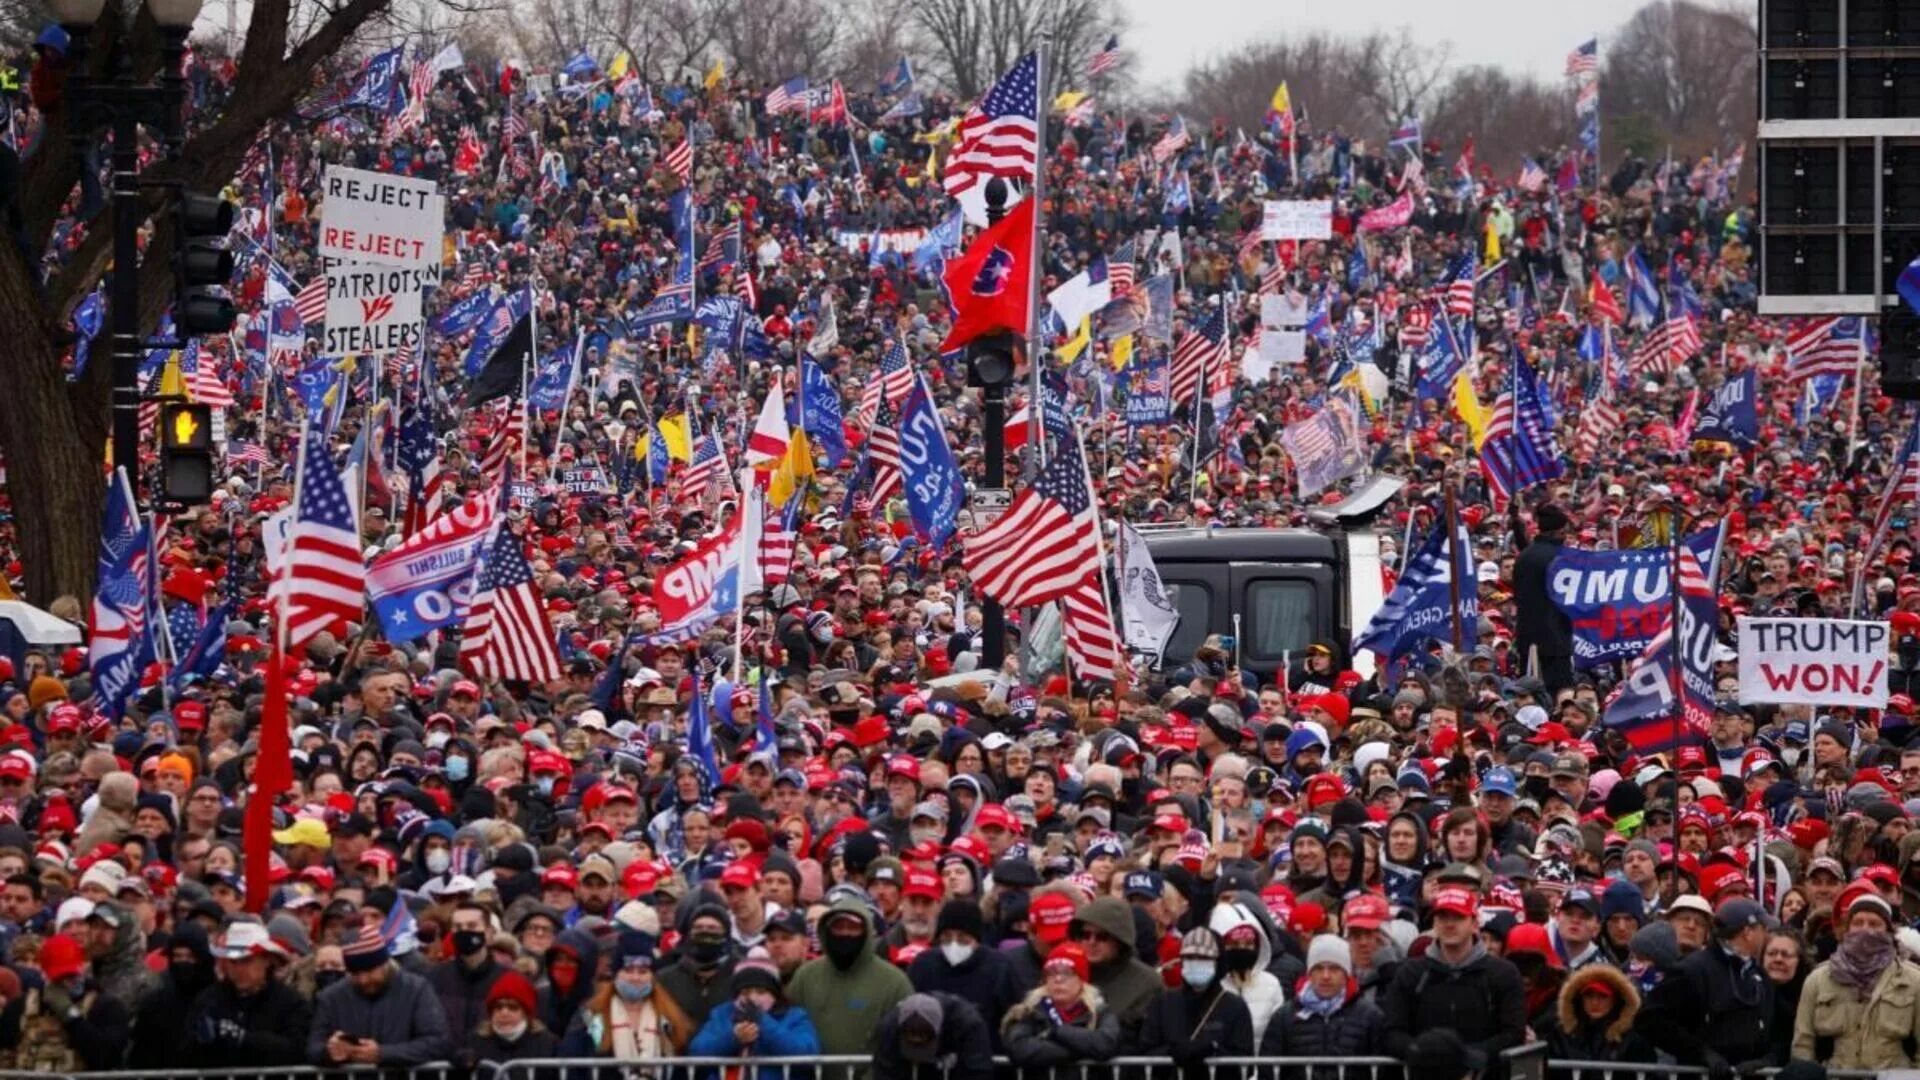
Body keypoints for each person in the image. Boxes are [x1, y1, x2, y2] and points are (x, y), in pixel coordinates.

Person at [1381, 886, 1526, 1062]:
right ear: (1434, 923)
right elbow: (1392, 1031)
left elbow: (1514, 1032)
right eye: (1442, 917)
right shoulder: (1411, 972)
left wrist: (1474, 1056)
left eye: (1458, 917)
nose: (1449, 924)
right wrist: (1422, 1052)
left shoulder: (1503, 973)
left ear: (1474, 924)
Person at [1637, 898, 1779, 1078]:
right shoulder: (1693, 969)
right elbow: (1651, 1019)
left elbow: (1775, 1030)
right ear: (1748, 932)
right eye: (1763, 929)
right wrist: (1702, 1054)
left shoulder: (1759, 975)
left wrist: (1767, 1060)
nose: (1766, 936)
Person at [1791, 892, 1920, 1068]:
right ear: (1847, 928)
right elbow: (1803, 1044)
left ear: (1889, 931)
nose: (1865, 929)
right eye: (1858, 923)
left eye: (1874, 924)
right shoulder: (1818, 980)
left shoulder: (1913, 980)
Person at [786, 896, 913, 1068]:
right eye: (838, 927)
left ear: (867, 932)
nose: (845, 933)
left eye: (853, 928)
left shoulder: (894, 982)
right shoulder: (806, 976)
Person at [307, 925, 452, 1068]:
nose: (363, 980)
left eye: (369, 971)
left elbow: (438, 1042)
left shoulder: (416, 990)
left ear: (384, 964)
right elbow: (313, 1047)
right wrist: (331, 1051)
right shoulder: (332, 997)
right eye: (356, 974)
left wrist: (383, 1054)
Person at [179, 920, 313, 1068]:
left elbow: (297, 1050)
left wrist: (245, 1039)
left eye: (246, 961)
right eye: (233, 962)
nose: (239, 969)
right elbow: (185, 1053)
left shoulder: (290, 1002)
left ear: (267, 960)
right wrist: (203, 1041)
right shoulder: (209, 999)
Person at [562, 927, 696, 1062]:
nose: (635, 978)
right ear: (615, 975)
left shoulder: (669, 1019)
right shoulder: (591, 1016)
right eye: (628, 970)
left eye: (643, 971)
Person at [1263, 935, 1385, 1080]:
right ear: (1309, 973)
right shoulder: (1284, 1016)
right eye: (1318, 968)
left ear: (1346, 973)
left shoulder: (1370, 1016)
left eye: (1334, 969)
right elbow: (1268, 1069)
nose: (1326, 976)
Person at [687, 947, 820, 1080]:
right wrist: (734, 1039)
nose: (753, 997)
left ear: (774, 994)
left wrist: (764, 1023)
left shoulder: (794, 1016)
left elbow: (807, 1052)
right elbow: (698, 1050)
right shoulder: (722, 1014)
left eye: (761, 991)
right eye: (745, 992)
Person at [1139, 927, 1254, 1080]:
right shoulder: (1163, 1002)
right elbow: (1145, 1052)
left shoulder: (1235, 1007)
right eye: (1190, 957)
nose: (1196, 962)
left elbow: (1246, 1064)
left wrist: (1212, 1050)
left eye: (1204, 958)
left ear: (1217, 962)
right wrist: (1173, 1051)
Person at [905, 898, 1022, 1042]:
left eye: (963, 939)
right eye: (947, 937)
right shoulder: (923, 965)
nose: (954, 944)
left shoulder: (999, 967)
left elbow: (1013, 1017)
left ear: (976, 939)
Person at [1001, 943, 1121, 1078]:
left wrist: (1056, 1032)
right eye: (1051, 973)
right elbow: (1019, 1049)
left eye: (1067, 973)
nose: (1058, 979)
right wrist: (1081, 1050)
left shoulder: (1099, 1011)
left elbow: (1104, 1044)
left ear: (1081, 980)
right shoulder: (1029, 1010)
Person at [15, 932, 129, 1071]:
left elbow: (107, 1056)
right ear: (44, 973)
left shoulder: (106, 1006)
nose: (66, 983)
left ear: (81, 968)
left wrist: (71, 1015)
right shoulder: (21, 1006)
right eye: (59, 978)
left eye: (71, 975)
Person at [1066, 896, 1164, 1042]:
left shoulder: (1147, 982)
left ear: (1119, 940)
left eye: (1102, 937)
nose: (1092, 942)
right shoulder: (1065, 972)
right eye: (1085, 935)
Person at [429, 899, 510, 1067]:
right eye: (458, 927)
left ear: (488, 933)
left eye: (472, 926)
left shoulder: (508, 980)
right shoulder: (434, 977)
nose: (464, 932)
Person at [1536, 962, 1654, 1071]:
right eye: (1588, 995)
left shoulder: (1632, 1039)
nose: (1595, 1002)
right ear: (1579, 999)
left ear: (1616, 1000)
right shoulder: (1562, 1035)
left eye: (1603, 996)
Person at [872, 991, 995, 1080]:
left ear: (939, 1030)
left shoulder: (968, 1023)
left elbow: (978, 1072)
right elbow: (884, 1073)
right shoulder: (888, 1028)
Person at [473, 970, 560, 1067]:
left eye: (513, 1007)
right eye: (498, 1007)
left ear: (526, 1013)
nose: (504, 1013)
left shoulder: (548, 1045)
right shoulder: (476, 1043)